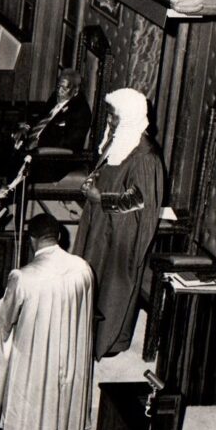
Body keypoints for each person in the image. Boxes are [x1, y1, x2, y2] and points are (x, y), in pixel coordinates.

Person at [0, 214, 95, 430]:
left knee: (30, 428)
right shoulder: (82, 268)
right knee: (53, 421)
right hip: (68, 359)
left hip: (34, 366)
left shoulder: (24, 277)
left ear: (32, 240)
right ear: (59, 237)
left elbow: (4, 319)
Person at [72, 87, 164, 359]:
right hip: (102, 221)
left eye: (114, 117)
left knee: (112, 285)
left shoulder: (145, 156)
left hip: (122, 231)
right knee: (90, 270)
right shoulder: (121, 138)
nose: (110, 122)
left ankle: (109, 341)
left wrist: (102, 198)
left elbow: (140, 200)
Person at [10, 68, 93, 183]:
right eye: (58, 86)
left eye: (65, 88)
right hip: (34, 147)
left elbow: (69, 143)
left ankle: (3, 196)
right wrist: (26, 127)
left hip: (53, 160)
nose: (59, 91)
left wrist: (40, 143)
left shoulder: (81, 112)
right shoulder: (57, 96)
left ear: (76, 90)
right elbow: (41, 116)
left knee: (11, 165)